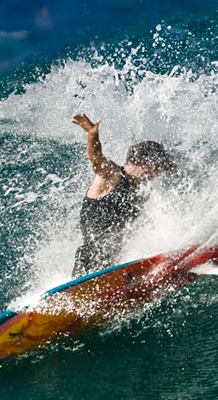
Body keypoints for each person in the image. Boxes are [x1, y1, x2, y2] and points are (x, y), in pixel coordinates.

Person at [71, 113, 177, 277]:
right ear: (145, 163)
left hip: (114, 263)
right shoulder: (112, 175)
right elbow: (96, 160)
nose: (154, 175)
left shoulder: (139, 193)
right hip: (90, 260)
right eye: (155, 169)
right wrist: (92, 136)